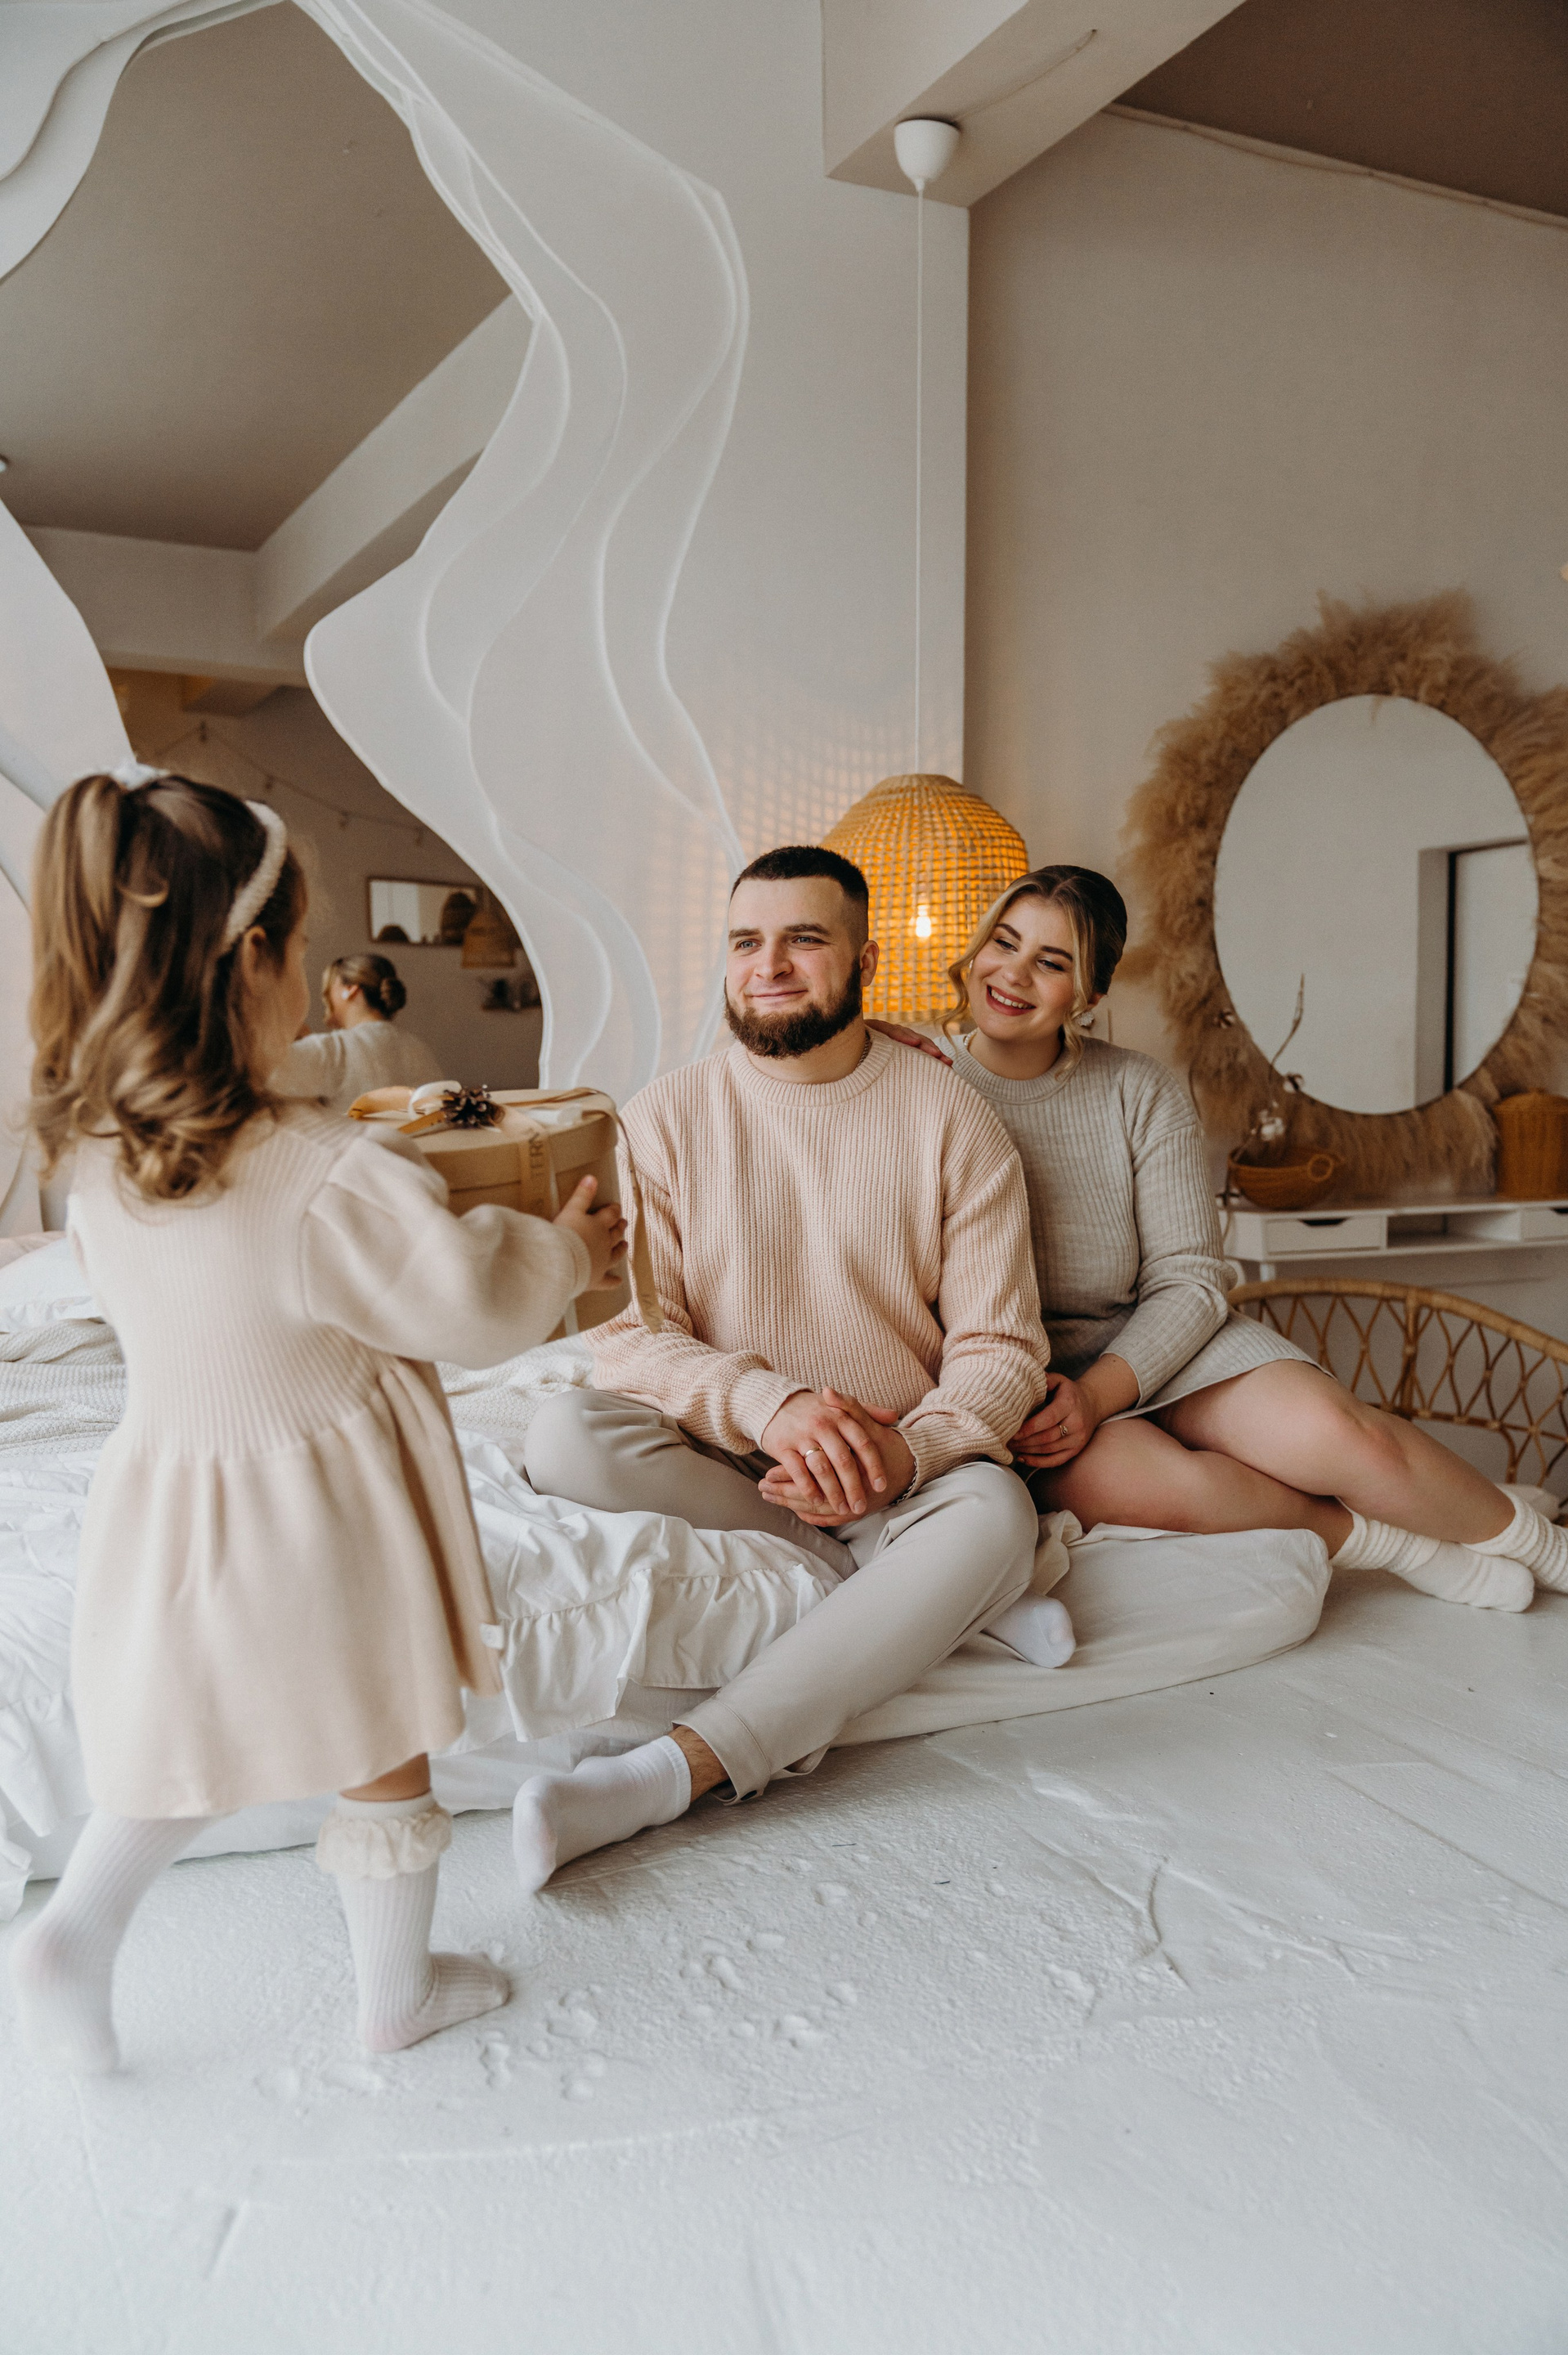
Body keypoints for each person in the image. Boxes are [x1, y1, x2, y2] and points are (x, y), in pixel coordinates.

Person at [10, 774, 626, 2075]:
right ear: (252, 962)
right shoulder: (326, 1173)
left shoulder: (106, 1160)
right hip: (318, 1515)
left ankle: (77, 1931)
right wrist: (565, 1251)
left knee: (189, 1735)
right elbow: (469, 1303)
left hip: (172, 1498)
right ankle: (396, 1994)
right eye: (298, 947)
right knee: (383, 1743)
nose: (306, 972)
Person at [514, 844, 1053, 1889]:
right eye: (745, 943)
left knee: (998, 1514)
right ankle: (919, 1596)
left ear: (865, 960)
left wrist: (907, 1455)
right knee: (565, 1432)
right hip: (733, 1458)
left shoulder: (950, 1116)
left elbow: (1002, 1347)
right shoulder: (660, 1120)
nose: (769, 966)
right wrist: (773, 1407)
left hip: (902, 1471)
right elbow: (627, 1337)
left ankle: (673, 1771)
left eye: (804, 940)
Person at [873, 864, 1568, 1611]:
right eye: (1004, 943)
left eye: (1052, 961)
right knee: (1173, 1487)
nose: (1013, 974)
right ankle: (1401, 1547)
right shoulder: (915, 1079)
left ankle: (1549, 1548)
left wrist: (1101, 1394)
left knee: (1344, 1436)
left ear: (1090, 995)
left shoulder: (1139, 1090)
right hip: (1027, 1383)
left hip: (1164, 1342)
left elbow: (1191, 1278)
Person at [276, 950, 442, 1115]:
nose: (324, 995)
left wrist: (290, 1031)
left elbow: (265, 1073)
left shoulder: (334, 1050)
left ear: (351, 990)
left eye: (330, 986)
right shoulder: (420, 1050)